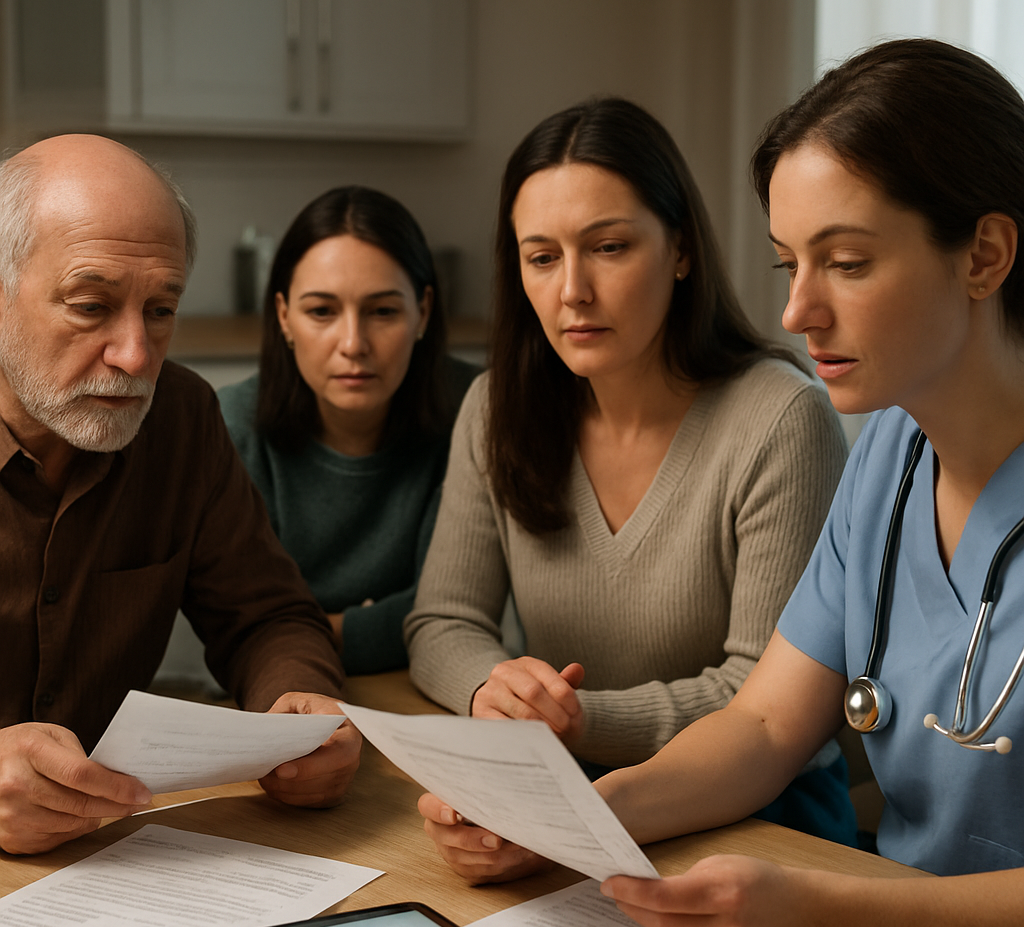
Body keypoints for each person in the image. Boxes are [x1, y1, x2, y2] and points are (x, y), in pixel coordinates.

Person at [584, 38, 1024, 927]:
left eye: (848, 262)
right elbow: (765, 727)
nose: (798, 312)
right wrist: (585, 820)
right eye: (790, 266)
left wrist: (819, 914)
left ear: (985, 254)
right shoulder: (887, 463)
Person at [410, 96, 854, 871]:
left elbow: (765, 695)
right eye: (541, 257)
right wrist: (492, 692)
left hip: (758, 815)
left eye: (608, 247)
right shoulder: (496, 408)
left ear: (680, 249)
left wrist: (575, 719)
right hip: (558, 780)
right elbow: (442, 620)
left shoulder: (780, 417)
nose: (571, 290)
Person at [0, 134, 361, 857]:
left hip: (113, 852)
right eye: (89, 305)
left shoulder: (181, 416)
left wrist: (298, 707)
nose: (135, 355)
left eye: (160, 310)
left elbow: (266, 617)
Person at [219, 187, 477, 676]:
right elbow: (240, 626)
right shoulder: (232, 426)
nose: (354, 344)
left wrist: (299, 629)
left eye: (383, 312)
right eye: (322, 312)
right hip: (276, 689)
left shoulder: (473, 410)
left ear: (422, 312)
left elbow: (458, 612)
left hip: (441, 684)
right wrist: (373, 625)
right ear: (283, 317)